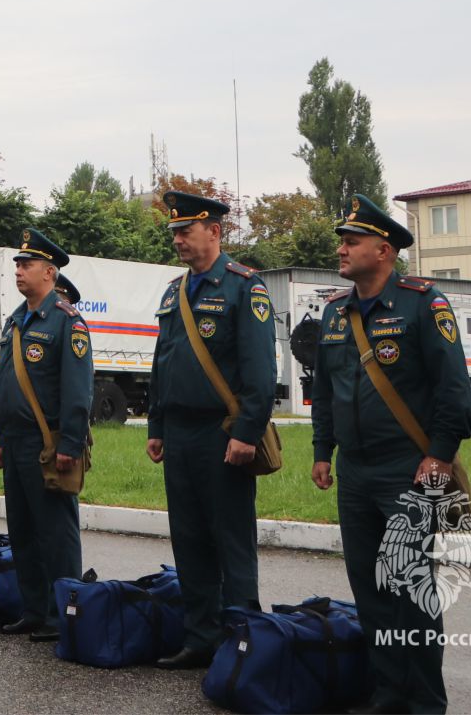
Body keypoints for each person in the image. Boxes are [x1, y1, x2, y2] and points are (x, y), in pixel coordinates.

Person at [311, 196, 471, 713]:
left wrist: (441, 453)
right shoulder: (336, 313)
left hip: (409, 466)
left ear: (383, 250)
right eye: (342, 240)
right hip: (356, 471)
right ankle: (388, 691)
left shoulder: (423, 303)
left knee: (413, 589)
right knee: (370, 589)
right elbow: (327, 387)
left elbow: (453, 388)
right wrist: (322, 451)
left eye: (351, 241)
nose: (341, 248)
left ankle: (425, 700)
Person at [145, 190, 276, 669]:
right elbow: (163, 363)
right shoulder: (173, 292)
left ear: (214, 231)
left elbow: (261, 372)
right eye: (175, 232)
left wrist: (246, 432)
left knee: (230, 539)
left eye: (186, 231)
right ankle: (200, 638)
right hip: (179, 432)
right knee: (190, 538)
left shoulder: (245, 287)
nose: (178, 239)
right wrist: (156, 423)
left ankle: (243, 640)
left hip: (223, 433)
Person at [0, 229, 92, 640]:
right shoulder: (16, 320)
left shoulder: (67, 321)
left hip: (48, 443)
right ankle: (33, 607)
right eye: (17, 263)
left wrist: (70, 443)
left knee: (55, 531)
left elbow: (78, 389)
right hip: (14, 442)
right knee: (23, 529)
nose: (19, 269)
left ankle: (62, 611)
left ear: (49, 272)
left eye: (26, 264)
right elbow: (4, 384)